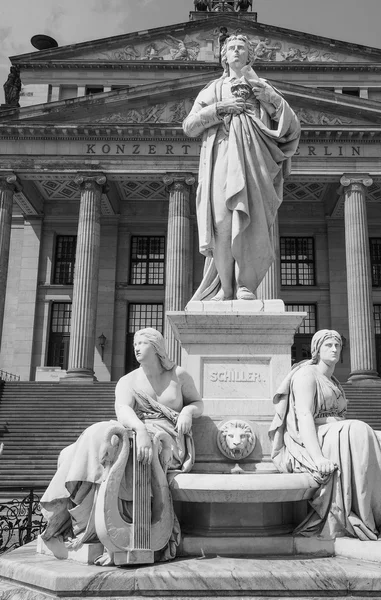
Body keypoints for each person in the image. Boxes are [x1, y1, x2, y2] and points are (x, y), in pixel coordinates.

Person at [40, 328, 203, 565]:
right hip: (139, 430)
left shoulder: (179, 376)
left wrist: (188, 410)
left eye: (142, 343)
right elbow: (123, 410)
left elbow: (198, 403)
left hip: (168, 439)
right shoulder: (128, 380)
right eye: (135, 343)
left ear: (156, 346)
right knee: (97, 437)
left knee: (119, 445)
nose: (136, 347)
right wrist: (139, 430)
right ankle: (81, 522)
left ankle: (112, 531)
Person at [268, 329, 381, 560]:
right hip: (314, 438)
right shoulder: (306, 375)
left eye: (338, 346)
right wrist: (317, 458)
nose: (334, 349)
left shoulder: (333, 381)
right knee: (358, 429)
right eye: (329, 345)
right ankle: (367, 518)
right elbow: (304, 416)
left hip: (339, 433)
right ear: (316, 349)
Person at [183, 35, 300, 301]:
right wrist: (218, 109)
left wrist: (272, 99)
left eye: (242, 48)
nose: (236, 52)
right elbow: (189, 126)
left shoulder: (262, 86)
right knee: (222, 223)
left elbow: (292, 127)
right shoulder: (212, 89)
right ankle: (225, 288)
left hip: (255, 160)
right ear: (223, 56)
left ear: (250, 56)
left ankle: (246, 284)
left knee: (252, 224)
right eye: (231, 48)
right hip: (223, 157)